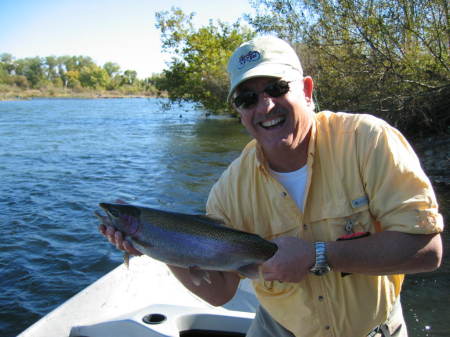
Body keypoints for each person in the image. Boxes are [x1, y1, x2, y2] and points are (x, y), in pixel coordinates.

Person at [99, 36, 444, 337]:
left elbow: (428, 252)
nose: (264, 106)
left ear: (307, 90)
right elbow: (220, 292)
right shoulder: (229, 190)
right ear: (238, 110)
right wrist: (155, 245)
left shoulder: (366, 141)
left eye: (277, 88)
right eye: (247, 98)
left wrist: (318, 255)